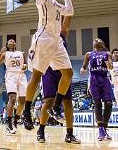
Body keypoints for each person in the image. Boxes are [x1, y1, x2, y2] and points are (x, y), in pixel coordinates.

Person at [17, 0, 74, 131]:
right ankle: (26, 111)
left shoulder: (53, 2)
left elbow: (69, 11)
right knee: (36, 75)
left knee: (68, 74)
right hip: (43, 40)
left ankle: (56, 106)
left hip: (56, 42)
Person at [37, 15, 80, 144]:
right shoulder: (44, 34)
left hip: (63, 71)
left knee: (68, 102)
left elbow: (67, 21)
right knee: (48, 101)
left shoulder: (61, 34)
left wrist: (66, 5)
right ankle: (41, 130)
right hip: (48, 71)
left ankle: (69, 134)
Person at [80, 38, 113, 141]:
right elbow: (84, 66)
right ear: (93, 44)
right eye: (95, 39)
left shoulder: (107, 53)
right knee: (97, 103)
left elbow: (111, 67)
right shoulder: (88, 54)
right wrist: (82, 69)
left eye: (99, 39)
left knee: (109, 103)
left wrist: (109, 65)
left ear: (102, 43)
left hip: (105, 79)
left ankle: (104, 127)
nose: (96, 40)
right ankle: (101, 130)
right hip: (94, 79)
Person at [0, 39, 28, 134]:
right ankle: (9, 123)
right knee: (12, 98)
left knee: (22, 101)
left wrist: (25, 66)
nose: (12, 41)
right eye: (10, 41)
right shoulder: (5, 54)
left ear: (15, 44)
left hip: (21, 75)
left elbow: (25, 65)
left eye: (13, 41)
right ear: (7, 45)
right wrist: (0, 53)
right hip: (11, 75)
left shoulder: (22, 53)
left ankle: (16, 120)